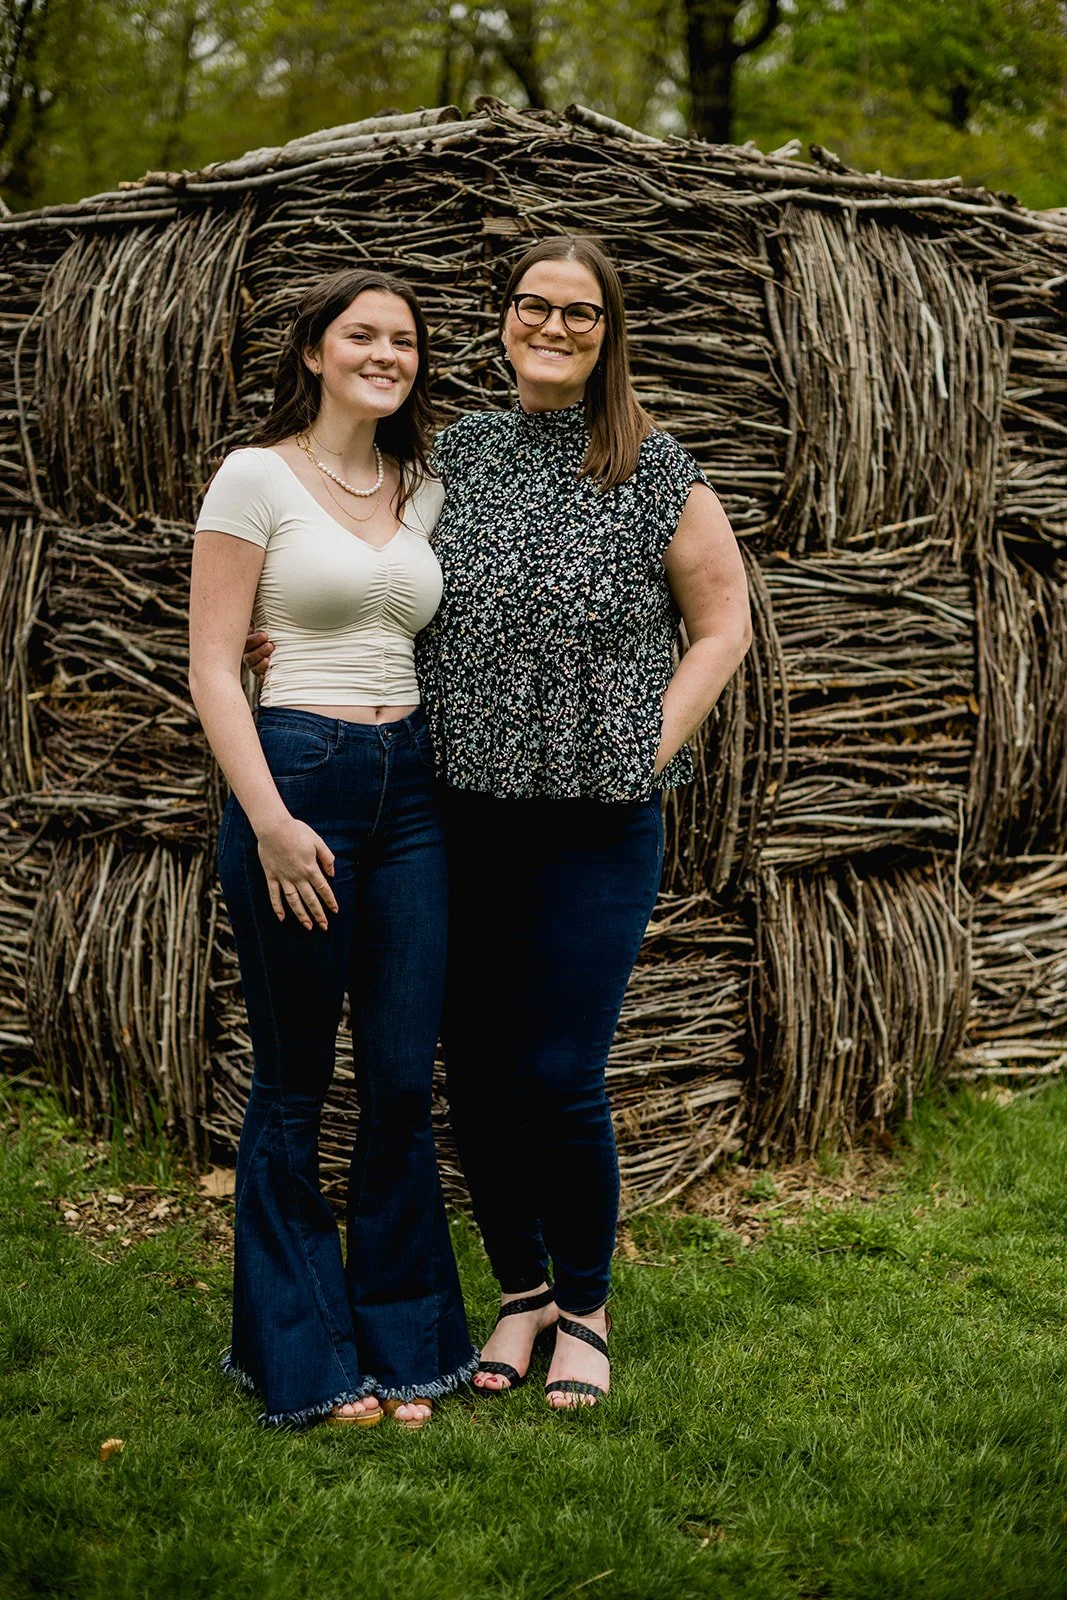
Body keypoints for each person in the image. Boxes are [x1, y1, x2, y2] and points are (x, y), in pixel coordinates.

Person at [247, 236, 752, 1409]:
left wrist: (647, 745)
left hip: (593, 823)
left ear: (606, 331)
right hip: (456, 810)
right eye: (535, 306)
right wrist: (282, 643)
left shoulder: (654, 466)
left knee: (560, 1071)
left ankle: (585, 1304)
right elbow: (372, 572)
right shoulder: (455, 457)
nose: (555, 328)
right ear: (505, 318)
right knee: (467, 1066)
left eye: (580, 313)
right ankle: (518, 1292)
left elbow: (721, 620)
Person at [189, 267, 477, 1430]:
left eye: (403, 339)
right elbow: (214, 663)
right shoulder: (255, 475)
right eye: (361, 334)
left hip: (411, 792)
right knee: (297, 1082)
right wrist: (267, 819)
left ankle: (407, 1345)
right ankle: (302, 1356)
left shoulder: (426, 486)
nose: (385, 353)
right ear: (313, 351)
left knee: (403, 1080)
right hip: (295, 776)